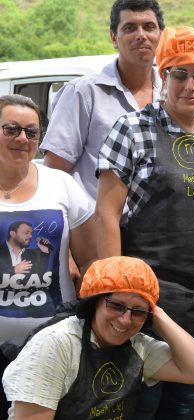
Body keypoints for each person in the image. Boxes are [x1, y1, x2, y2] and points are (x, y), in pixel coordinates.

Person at [95, 26, 194, 419]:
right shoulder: (133, 128)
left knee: (184, 407)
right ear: (164, 75)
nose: (190, 86)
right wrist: (118, 289)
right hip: (148, 297)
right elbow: (106, 213)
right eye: (180, 74)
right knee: (141, 403)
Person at [2, 256, 194, 419]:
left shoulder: (138, 345)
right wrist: (141, 304)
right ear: (94, 303)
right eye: (116, 305)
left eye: (138, 311)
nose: (125, 320)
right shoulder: (57, 344)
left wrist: (157, 313)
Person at [0, 94, 97, 417]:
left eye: (32, 132)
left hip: (50, 345)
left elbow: (91, 262)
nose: (22, 139)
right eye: (11, 129)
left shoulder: (61, 185)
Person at [40, 0, 164, 200]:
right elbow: (54, 173)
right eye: (130, 28)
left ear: (160, 35)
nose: (141, 35)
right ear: (114, 37)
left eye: (149, 27)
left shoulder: (171, 94)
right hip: (94, 218)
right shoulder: (83, 93)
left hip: (159, 219)